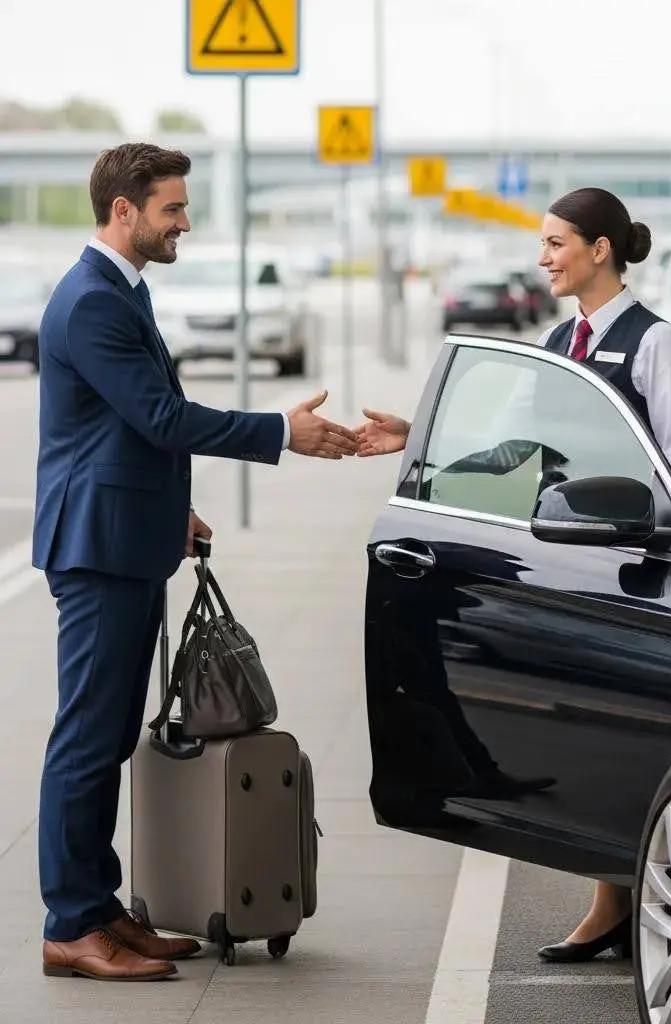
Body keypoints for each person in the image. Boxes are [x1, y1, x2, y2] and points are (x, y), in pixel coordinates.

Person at [32, 143, 357, 982]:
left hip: (127, 534)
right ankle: (70, 925)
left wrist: (168, 507)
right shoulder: (94, 301)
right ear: (124, 211)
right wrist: (283, 433)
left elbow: (119, 431)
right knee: (87, 736)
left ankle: (99, 908)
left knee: (104, 736)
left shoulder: (117, 292)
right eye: (173, 208)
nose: (185, 222)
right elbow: (161, 417)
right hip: (98, 550)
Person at [354, 186, 671, 963]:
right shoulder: (558, 343)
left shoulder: (656, 344)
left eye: (554, 243)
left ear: (599, 249)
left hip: (630, 568)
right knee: (576, 730)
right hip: (564, 556)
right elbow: (515, 447)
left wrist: (638, 540)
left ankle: (619, 898)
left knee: (621, 733)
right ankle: (610, 896)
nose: (542, 258)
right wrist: (421, 448)